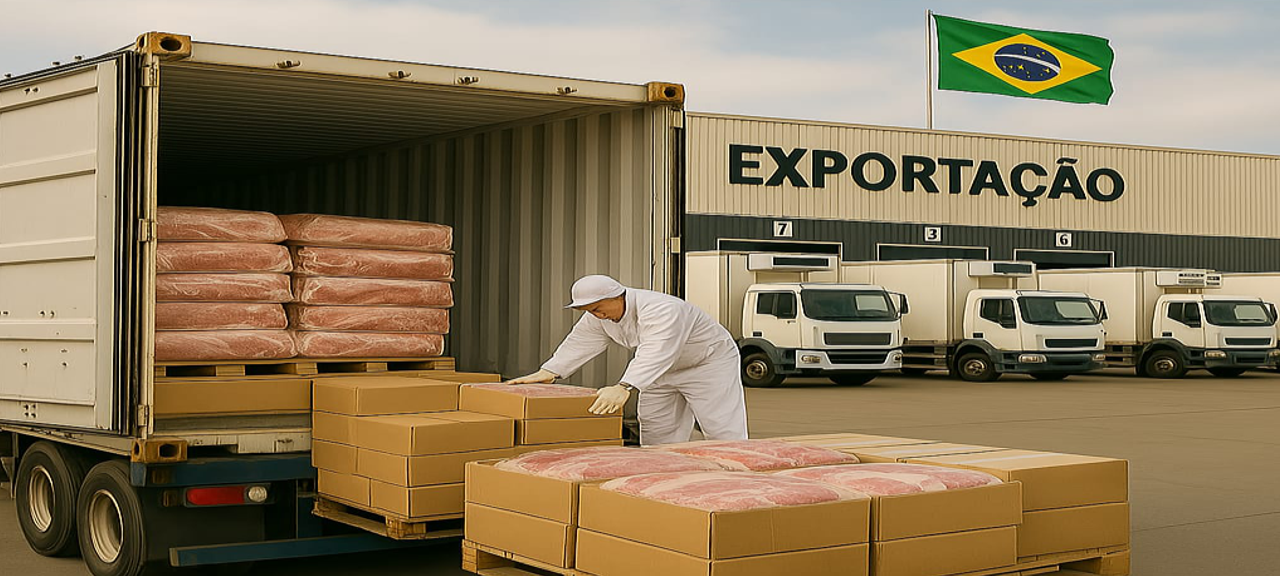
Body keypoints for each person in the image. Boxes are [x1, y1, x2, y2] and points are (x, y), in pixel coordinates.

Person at [508, 274, 749, 446]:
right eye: (590, 311)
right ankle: (663, 483)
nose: (597, 315)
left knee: (722, 429)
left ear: (618, 295)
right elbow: (580, 341)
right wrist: (550, 371)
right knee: (657, 431)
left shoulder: (663, 308)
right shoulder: (599, 317)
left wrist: (625, 386)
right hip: (658, 373)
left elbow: (659, 348)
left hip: (706, 366)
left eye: (599, 308)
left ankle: (740, 482)